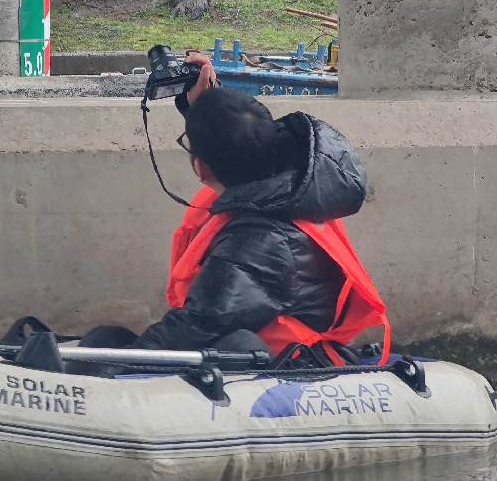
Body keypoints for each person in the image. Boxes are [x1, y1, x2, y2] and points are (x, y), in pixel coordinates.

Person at [80, 54, 390, 366]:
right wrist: (208, 103)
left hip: (293, 368)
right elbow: (240, 136)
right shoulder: (289, 183)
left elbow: (197, 326)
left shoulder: (259, 242)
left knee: (228, 346)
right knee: (105, 339)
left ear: (201, 169)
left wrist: (115, 367)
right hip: (267, 346)